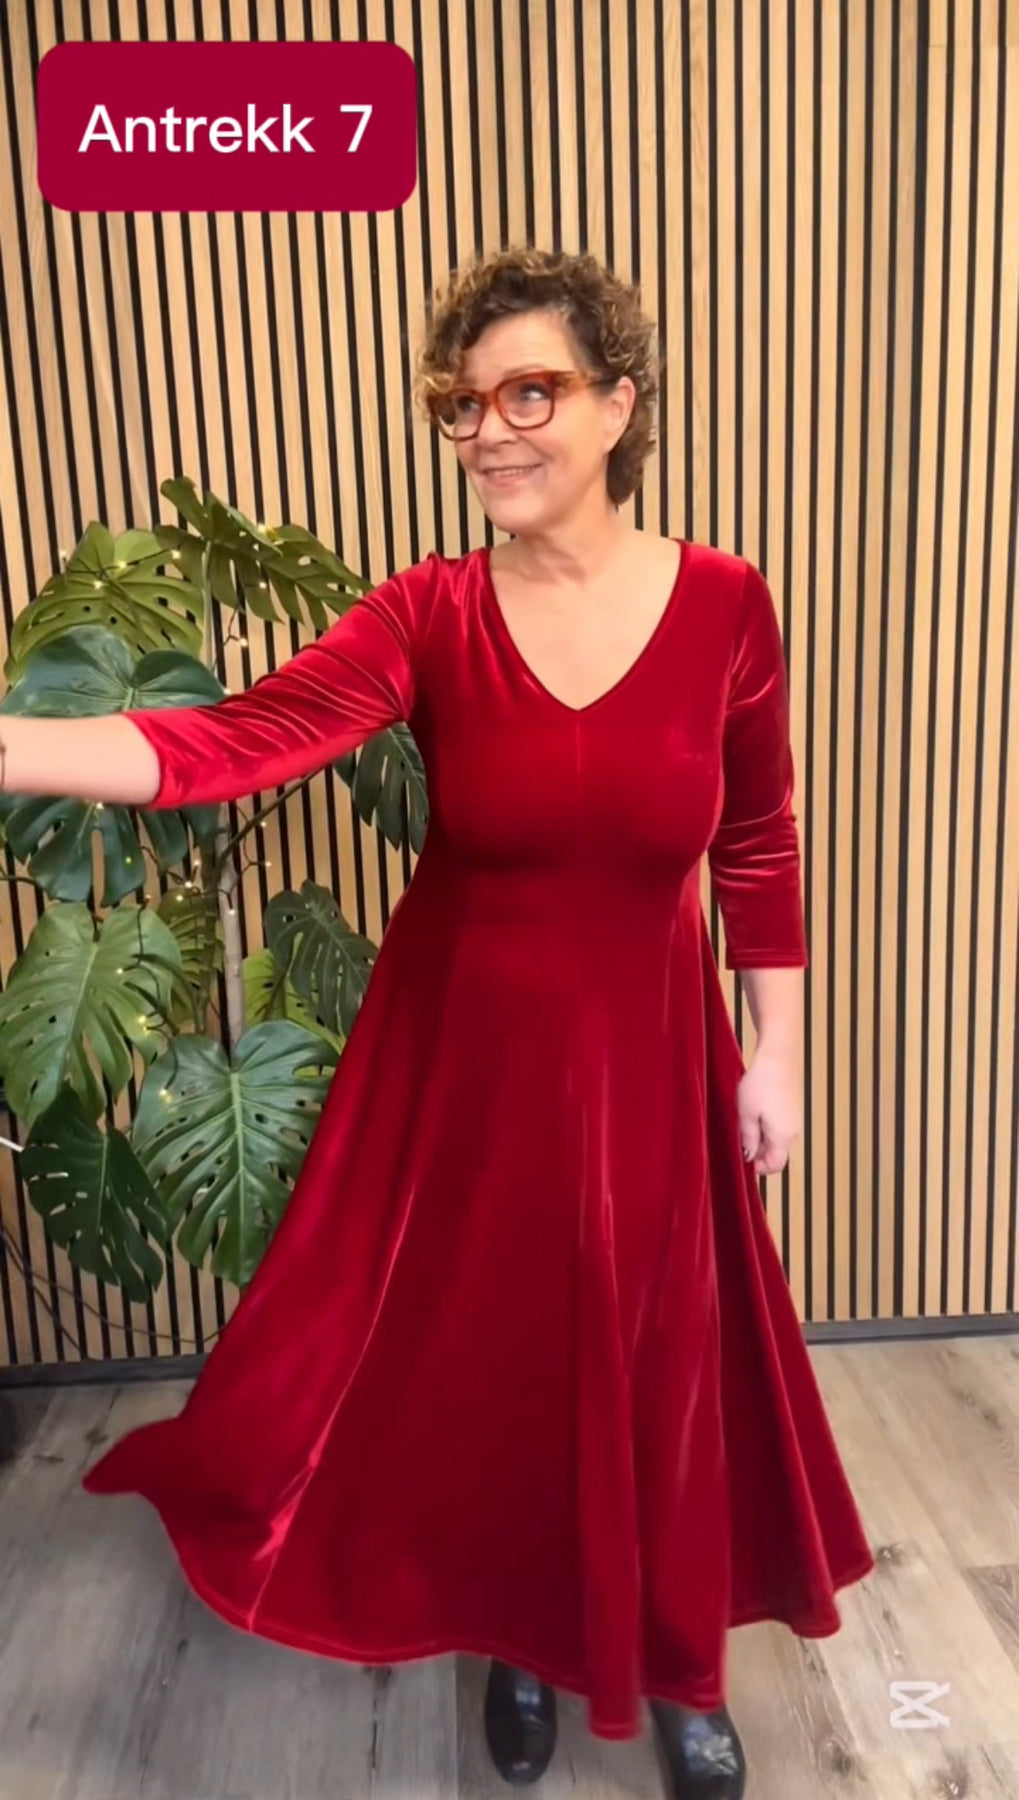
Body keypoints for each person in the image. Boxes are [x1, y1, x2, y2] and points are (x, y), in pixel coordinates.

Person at [0, 247, 873, 1797]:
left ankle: (681, 1663)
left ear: (620, 405)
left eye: (529, 392)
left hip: (654, 1064)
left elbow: (758, 842)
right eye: (463, 404)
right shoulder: (429, 613)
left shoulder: (729, 604)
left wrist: (779, 1053)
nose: (488, 431)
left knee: (666, 1367)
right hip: (468, 1069)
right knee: (501, 1365)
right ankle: (524, 1638)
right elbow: (233, 743)